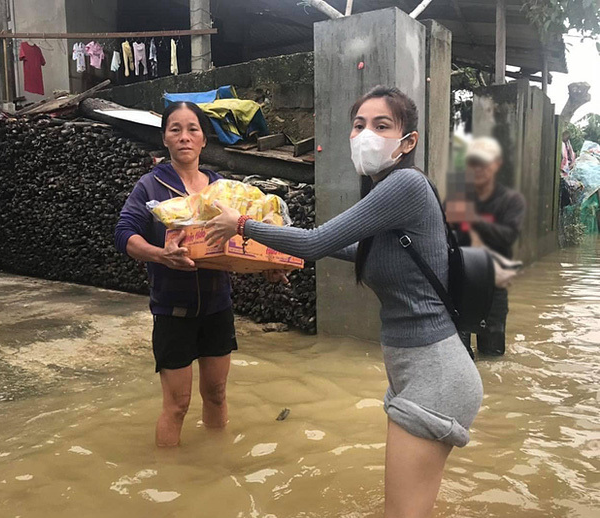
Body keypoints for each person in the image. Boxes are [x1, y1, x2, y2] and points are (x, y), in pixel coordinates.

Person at [206, 86, 483, 518]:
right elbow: (357, 253)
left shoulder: (405, 184)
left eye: (381, 125)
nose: (366, 134)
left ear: (407, 142)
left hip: (436, 375)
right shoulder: (388, 193)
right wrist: (281, 256)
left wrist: (242, 224)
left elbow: (316, 242)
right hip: (419, 372)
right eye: (359, 126)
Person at [114, 102, 247, 447]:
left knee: (216, 393)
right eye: (176, 129)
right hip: (173, 309)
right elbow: (124, 235)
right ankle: (169, 484)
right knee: (178, 404)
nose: (185, 137)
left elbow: (246, 239)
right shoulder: (151, 186)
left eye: (193, 129)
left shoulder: (221, 189)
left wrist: (272, 269)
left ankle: (217, 463)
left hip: (218, 306)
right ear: (166, 139)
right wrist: (161, 256)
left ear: (204, 139)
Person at [450, 137, 526, 357]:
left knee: (493, 356)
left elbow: (508, 236)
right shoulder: (458, 199)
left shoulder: (511, 201)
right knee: (460, 356)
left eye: (485, 162)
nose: (479, 168)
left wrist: (475, 220)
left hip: (494, 287)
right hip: (460, 288)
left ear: (496, 164)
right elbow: (444, 237)